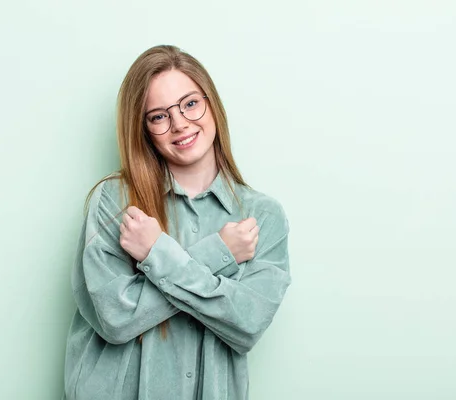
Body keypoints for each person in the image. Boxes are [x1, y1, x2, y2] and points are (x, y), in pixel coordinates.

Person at [63, 44, 291, 400]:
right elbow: (116, 319)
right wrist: (218, 254)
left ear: (211, 102)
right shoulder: (115, 202)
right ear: (143, 129)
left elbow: (247, 325)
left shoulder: (262, 217)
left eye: (189, 104)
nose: (180, 123)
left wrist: (156, 252)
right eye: (158, 116)